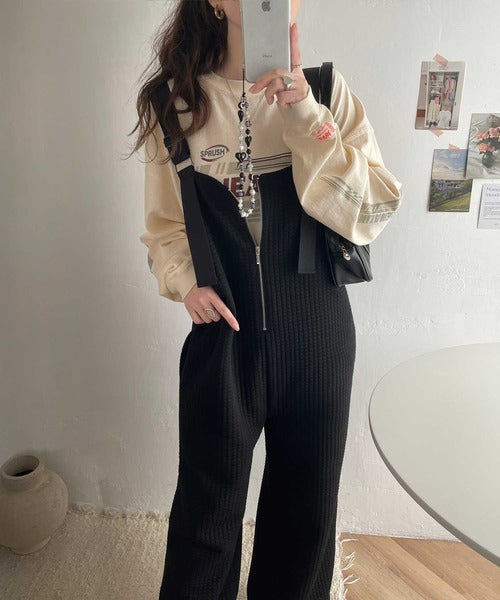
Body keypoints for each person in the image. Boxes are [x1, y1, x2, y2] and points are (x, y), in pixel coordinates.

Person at [130, 1, 403, 598]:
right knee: (206, 515)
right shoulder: (172, 102)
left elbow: (372, 211)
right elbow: (164, 226)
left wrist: (305, 114)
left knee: (307, 513)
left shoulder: (326, 91)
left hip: (318, 334)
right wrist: (185, 283)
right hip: (222, 337)